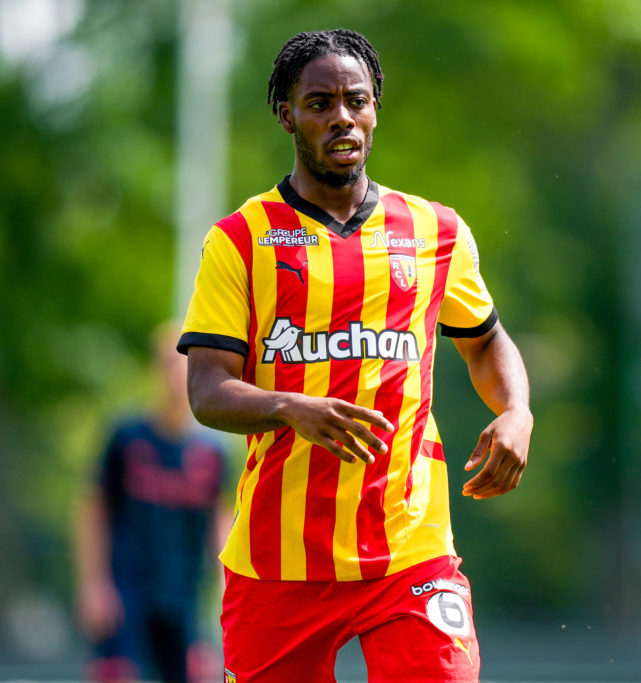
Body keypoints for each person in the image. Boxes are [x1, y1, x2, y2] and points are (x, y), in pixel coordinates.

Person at [177, 28, 533, 682]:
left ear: (373, 110)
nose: (341, 115)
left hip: (409, 552)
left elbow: (486, 340)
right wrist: (289, 406)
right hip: (278, 561)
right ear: (288, 116)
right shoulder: (241, 240)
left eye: (355, 100)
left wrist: (516, 411)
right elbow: (206, 389)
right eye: (319, 103)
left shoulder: (434, 231)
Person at [74, 323, 230, 683]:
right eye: (169, 366)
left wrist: (225, 591)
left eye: (185, 367)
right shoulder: (127, 439)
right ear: (157, 370)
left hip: (184, 597)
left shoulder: (211, 452)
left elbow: (220, 524)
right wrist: (93, 584)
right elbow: (91, 512)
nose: (177, 377)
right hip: (127, 592)